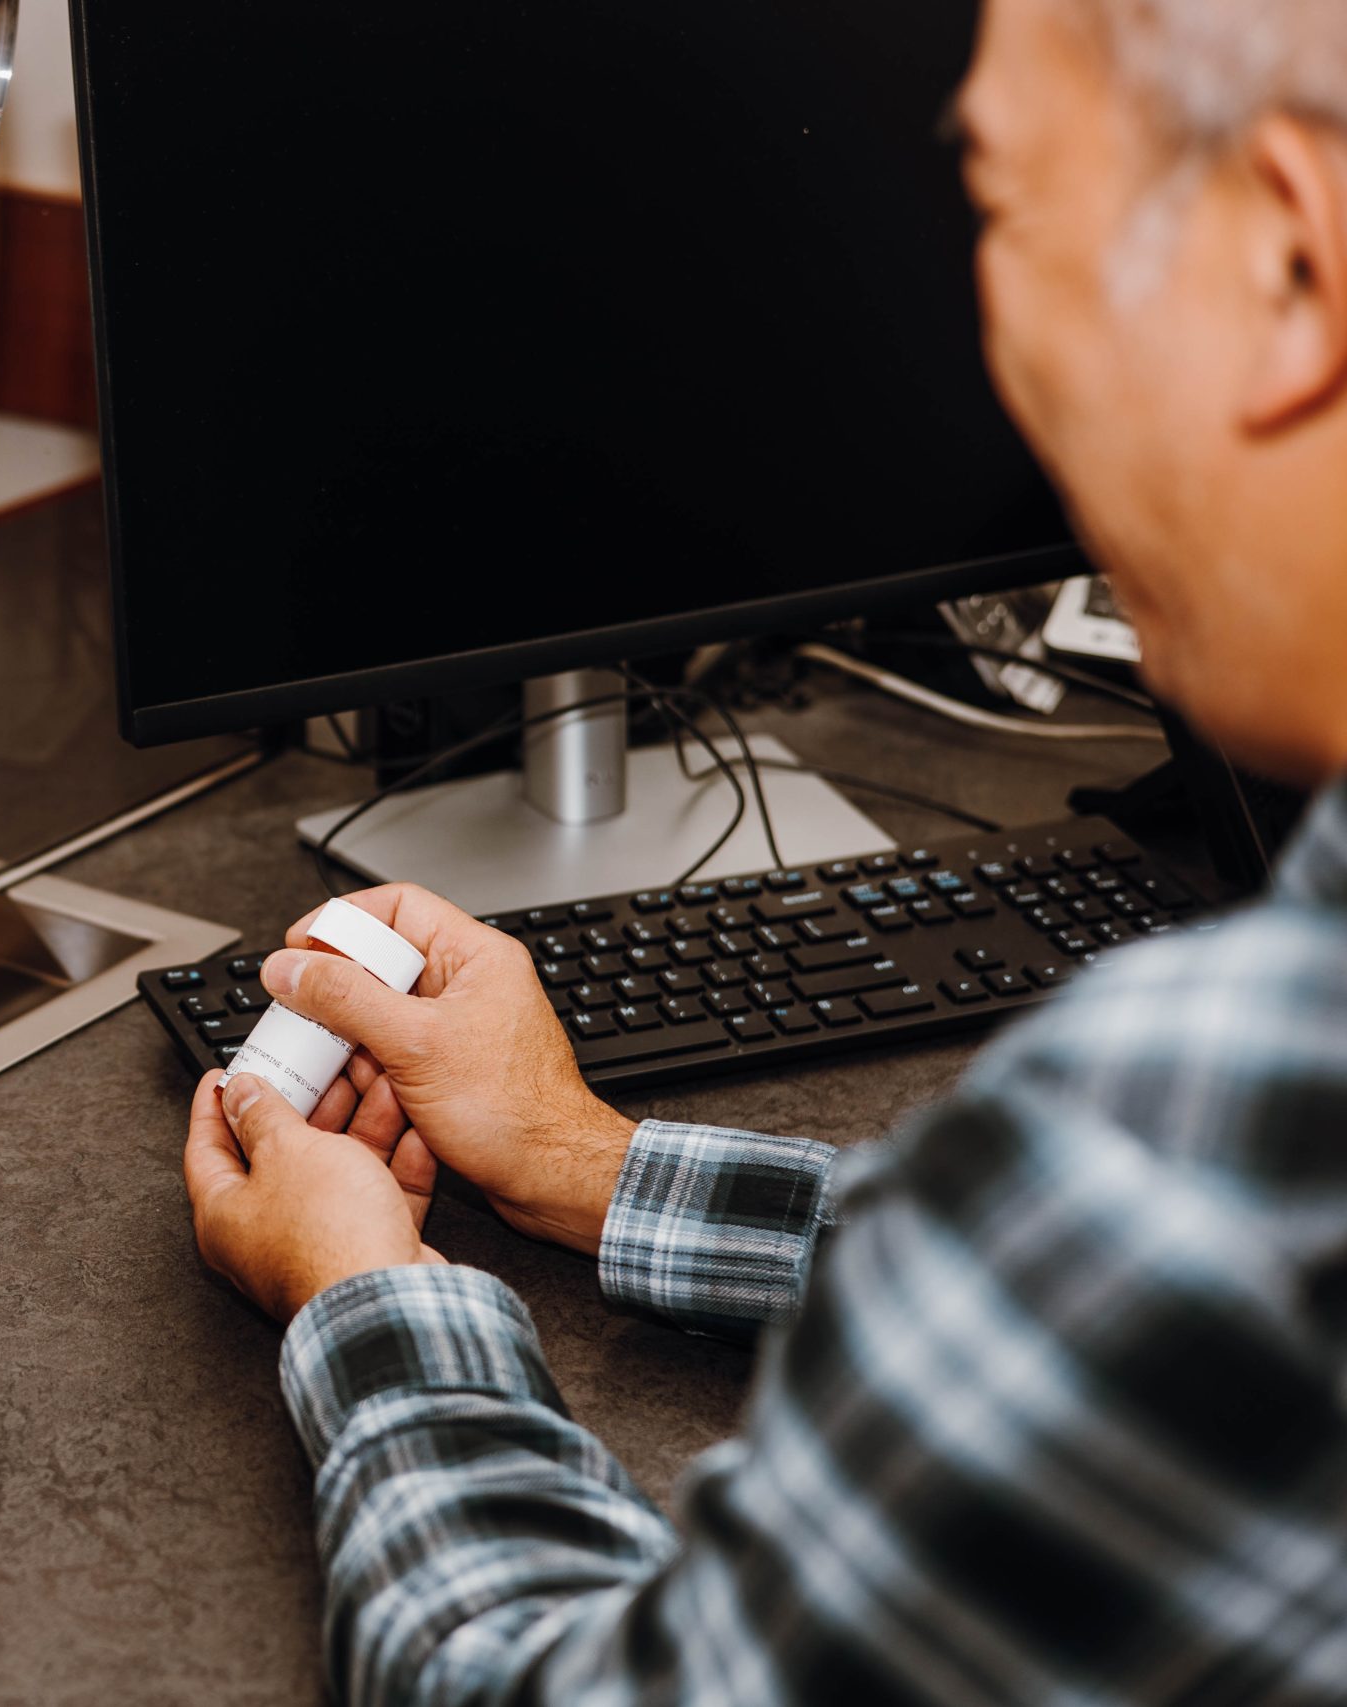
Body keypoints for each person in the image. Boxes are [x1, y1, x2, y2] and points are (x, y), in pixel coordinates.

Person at [183, 0, 1347, 1699]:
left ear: (1287, 265)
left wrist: (367, 1291)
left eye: (1001, 206)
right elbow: (1124, 1301)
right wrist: (590, 1160)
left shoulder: (1201, 1114)